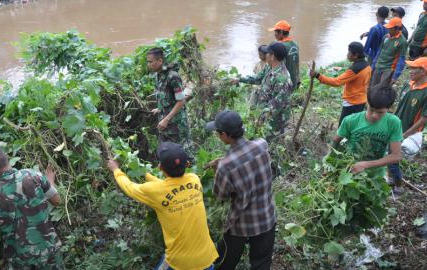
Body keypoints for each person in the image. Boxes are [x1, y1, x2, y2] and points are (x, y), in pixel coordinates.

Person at [106, 142, 218, 270]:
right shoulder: (194, 180)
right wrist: (146, 174)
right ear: (187, 164)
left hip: (179, 261)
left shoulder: (155, 191)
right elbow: (171, 189)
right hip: (206, 258)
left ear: (160, 167)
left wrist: (116, 170)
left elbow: (129, 187)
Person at [205, 110, 276, 270]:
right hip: (267, 217)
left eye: (218, 133)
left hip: (241, 224)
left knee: (225, 263)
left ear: (224, 135)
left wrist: (218, 169)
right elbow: (249, 159)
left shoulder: (226, 167)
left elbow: (220, 195)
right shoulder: (262, 145)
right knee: (262, 264)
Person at [0, 143, 63, 269]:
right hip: (49, 253)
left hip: (21, 262)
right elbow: (57, 201)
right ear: (6, 157)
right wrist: (49, 181)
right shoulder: (34, 175)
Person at [387, 57, 427, 187]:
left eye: (414, 68)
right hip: (395, 124)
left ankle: (397, 185)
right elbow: (400, 105)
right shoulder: (408, 84)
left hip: (406, 130)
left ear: (423, 71)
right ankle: (389, 177)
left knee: (393, 158)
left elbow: (424, 118)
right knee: (389, 153)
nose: (410, 71)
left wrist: (406, 134)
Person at [332, 85, 403, 176]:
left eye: (380, 112)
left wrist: (366, 164)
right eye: (371, 110)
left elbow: (396, 156)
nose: (374, 115)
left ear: (389, 109)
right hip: (349, 169)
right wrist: (329, 162)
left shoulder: (393, 123)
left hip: (375, 175)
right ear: (367, 103)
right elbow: (335, 141)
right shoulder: (351, 120)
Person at [233, 42, 293, 137]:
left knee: (270, 144)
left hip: (275, 122)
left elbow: (275, 105)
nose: (265, 55)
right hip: (265, 115)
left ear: (272, 56)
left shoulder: (282, 79)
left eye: (267, 53)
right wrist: (239, 79)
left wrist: (261, 119)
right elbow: (258, 78)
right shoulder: (269, 67)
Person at [310, 42, 371, 125]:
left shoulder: (354, 69)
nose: (347, 54)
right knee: (353, 125)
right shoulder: (367, 65)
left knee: (343, 127)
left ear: (355, 55)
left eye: (349, 52)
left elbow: (336, 82)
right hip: (361, 100)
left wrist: (318, 75)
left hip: (352, 103)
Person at [147, 47, 192, 154]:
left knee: (183, 154)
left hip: (177, 125)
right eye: (147, 62)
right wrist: (159, 109)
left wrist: (166, 119)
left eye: (150, 62)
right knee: (167, 154)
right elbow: (168, 97)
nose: (148, 64)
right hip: (165, 125)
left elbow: (181, 101)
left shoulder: (173, 77)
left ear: (160, 61)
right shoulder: (158, 76)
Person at [370, 17, 408, 87]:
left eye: (390, 28)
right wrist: (373, 65)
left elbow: (401, 60)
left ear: (397, 28)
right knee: (372, 88)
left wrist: (395, 76)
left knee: (381, 90)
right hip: (378, 66)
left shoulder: (402, 42)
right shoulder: (386, 37)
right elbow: (379, 52)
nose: (388, 29)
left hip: (388, 70)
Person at [269, 20, 300, 89]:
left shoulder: (279, 47)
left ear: (281, 32)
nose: (274, 34)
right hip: (294, 82)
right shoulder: (295, 44)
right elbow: (297, 64)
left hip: (284, 84)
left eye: (276, 32)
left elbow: (275, 66)